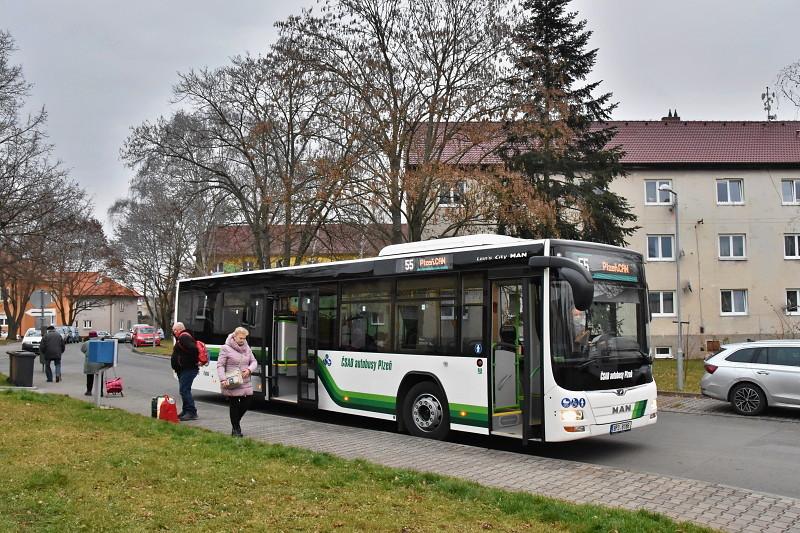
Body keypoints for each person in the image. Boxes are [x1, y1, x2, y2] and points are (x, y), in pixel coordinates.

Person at [216, 326, 257, 437]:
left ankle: (235, 423)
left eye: (244, 338)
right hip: (232, 381)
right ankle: (236, 429)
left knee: (247, 401)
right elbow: (220, 365)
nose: (242, 340)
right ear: (234, 337)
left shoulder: (247, 348)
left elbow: (254, 362)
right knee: (234, 404)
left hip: (245, 381)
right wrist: (223, 379)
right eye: (240, 338)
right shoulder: (225, 348)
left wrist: (249, 369)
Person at [170, 322, 199, 421]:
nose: (174, 332)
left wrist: (185, 362)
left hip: (188, 369)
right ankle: (186, 410)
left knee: (184, 390)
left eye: (174, 330)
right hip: (184, 369)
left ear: (179, 330)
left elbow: (194, 349)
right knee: (184, 390)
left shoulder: (184, 337)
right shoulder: (182, 337)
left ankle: (191, 412)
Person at [81, 330, 104, 395]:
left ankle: (89, 391)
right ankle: (100, 392)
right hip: (99, 363)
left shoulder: (86, 343)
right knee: (100, 378)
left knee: (89, 377)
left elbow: (83, 350)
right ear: (96, 336)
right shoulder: (101, 342)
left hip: (89, 363)